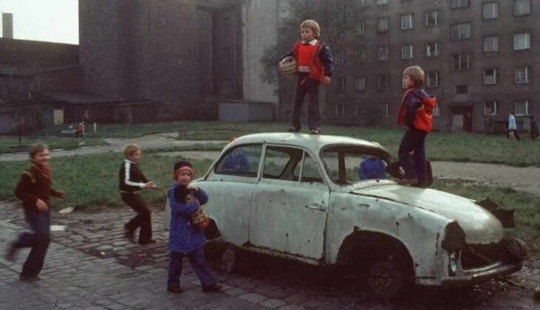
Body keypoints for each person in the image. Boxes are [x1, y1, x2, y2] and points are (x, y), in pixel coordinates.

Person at [5, 143, 66, 281]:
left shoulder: (43, 170)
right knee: (43, 236)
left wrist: (55, 193)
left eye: (46, 154)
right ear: (33, 158)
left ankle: (29, 273)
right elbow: (19, 192)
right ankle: (20, 241)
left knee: (44, 240)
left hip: (45, 210)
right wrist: (35, 201)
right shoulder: (29, 173)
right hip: (33, 210)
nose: (44, 157)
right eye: (40, 155)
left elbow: (42, 188)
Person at [167, 161, 223, 294]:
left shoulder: (191, 189)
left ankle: (208, 283)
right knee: (176, 261)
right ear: (176, 175)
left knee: (199, 259)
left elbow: (204, 199)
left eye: (188, 175)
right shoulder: (174, 190)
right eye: (182, 174)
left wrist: (198, 191)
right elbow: (177, 207)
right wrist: (195, 206)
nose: (185, 177)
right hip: (180, 232)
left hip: (193, 231)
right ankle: (173, 283)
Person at [280, 19, 334, 135]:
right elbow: (290, 54)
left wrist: (327, 74)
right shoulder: (298, 46)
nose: (304, 34)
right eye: (302, 32)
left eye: (307, 32)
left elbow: (328, 61)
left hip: (313, 77)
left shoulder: (320, 47)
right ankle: (295, 125)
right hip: (301, 76)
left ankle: (315, 127)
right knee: (297, 101)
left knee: (313, 103)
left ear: (315, 33)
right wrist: (282, 60)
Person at [396, 66, 437, 187]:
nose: (403, 80)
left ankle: (410, 175)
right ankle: (421, 179)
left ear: (413, 80)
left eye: (406, 78)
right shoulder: (423, 93)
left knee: (403, 151)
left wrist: (408, 124)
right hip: (423, 128)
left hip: (414, 127)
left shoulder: (411, 94)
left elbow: (411, 109)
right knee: (419, 153)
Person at [119, 144, 156, 245]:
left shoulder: (134, 163)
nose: (138, 157)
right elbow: (126, 182)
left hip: (133, 193)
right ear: (129, 156)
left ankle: (145, 238)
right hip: (127, 194)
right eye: (136, 155)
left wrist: (148, 183)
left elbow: (140, 175)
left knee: (146, 212)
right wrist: (143, 185)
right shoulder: (126, 165)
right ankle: (130, 227)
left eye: (139, 155)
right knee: (145, 212)